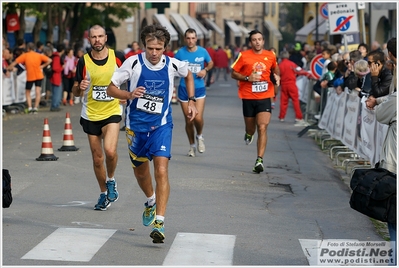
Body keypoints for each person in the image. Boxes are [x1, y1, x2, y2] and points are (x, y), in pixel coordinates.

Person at [106, 24, 198, 243]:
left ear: (165, 47)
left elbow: (189, 76)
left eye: (158, 48)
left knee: (161, 168)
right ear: (144, 46)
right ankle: (150, 200)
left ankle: (160, 221)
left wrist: (192, 100)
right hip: (135, 127)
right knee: (141, 173)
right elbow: (111, 88)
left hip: (162, 125)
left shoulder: (173, 64)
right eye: (150, 48)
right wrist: (129, 94)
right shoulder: (134, 63)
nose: (154, 53)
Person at [71, 25, 126, 211]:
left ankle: (111, 180)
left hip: (112, 111)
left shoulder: (117, 57)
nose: (97, 40)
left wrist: (126, 95)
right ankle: (104, 194)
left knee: (110, 151)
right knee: (97, 158)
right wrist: (80, 87)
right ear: (90, 39)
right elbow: (75, 91)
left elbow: (129, 78)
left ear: (105, 38)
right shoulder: (83, 61)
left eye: (100, 36)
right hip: (90, 113)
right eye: (94, 37)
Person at [231, 29, 280, 173]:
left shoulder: (270, 55)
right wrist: (247, 78)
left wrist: (277, 76)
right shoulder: (244, 56)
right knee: (251, 129)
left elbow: (275, 68)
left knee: (263, 127)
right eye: (254, 40)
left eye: (259, 39)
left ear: (263, 41)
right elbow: (233, 73)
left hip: (265, 97)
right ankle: (248, 133)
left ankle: (259, 160)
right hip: (248, 97)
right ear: (250, 42)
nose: (257, 42)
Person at [174, 28, 214, 157]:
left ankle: (200, 136)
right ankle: (192, 146)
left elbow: (211, 62)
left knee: (197, 117)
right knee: (189, 120)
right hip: (184, 89)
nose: (191, 41)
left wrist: (205, 70)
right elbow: (173, 68)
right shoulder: (180, 53)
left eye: (193, 38)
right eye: (188, 38)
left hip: (199, 88)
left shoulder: (202, 52)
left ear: (196, 39)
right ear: (185, 39)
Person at [7, 42, 52, 114]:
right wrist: (42, 66)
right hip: (39, 75)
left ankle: (30, 107)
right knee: (38, 91)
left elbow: (15, 62)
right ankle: (36, 107)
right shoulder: (38, 55)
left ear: (28, 48)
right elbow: (49, 60)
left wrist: (8, 68)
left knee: (28, 92)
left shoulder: (25, 55)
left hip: (30, 76)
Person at [277, 50, 312, 126]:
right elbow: (300, 71)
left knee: (283, 101)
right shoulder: (291, 64)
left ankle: (281, 117)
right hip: (291, 84)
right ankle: (298, 117)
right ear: (288, 56)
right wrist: (308, 74)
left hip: (283, 85)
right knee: (295, 101)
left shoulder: (279, 65)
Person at [49, 44, 65, 112]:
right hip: (56, 77)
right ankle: (55, 105)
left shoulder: (55, 56)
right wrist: (62, 68)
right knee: (56, 92)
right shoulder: (57, 57)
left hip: (56, 76)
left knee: (57, 91)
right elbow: (55, 68)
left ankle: (56, 104)